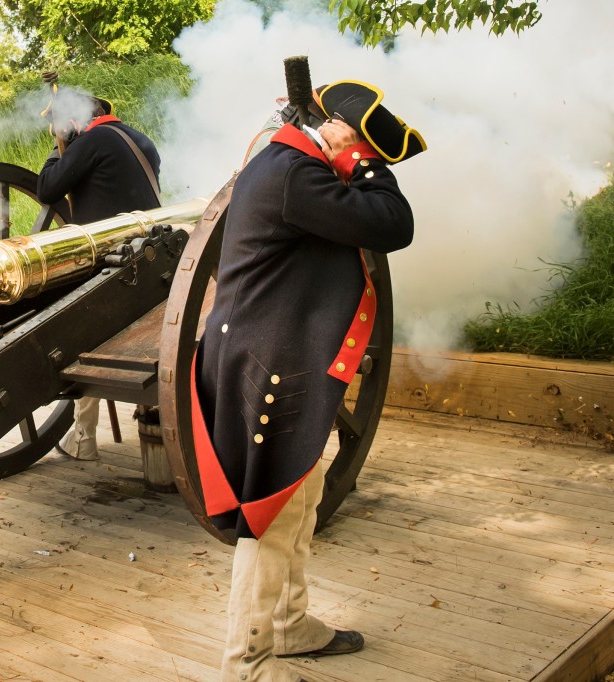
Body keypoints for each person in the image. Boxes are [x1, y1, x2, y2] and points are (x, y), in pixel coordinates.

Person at [191, 79, 426, 682]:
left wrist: (351, 162)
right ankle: (246, 663)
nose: (368, 160)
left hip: (279, 354)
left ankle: (289, 624)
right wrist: (364, 169)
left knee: (302, 496)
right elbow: (394, 224)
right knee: (269, 515)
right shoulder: (296, 174)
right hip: (265, 365)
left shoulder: (290, 162)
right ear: (343, 134)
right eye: (367, 147)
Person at [37, 89, 162, 461]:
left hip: (108, 259)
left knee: (82, 337)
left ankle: (84, 438)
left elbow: (47, 188)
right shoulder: (142, 141)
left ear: (74, 122)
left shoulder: (92, 140)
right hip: (150, 255)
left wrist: (58, 149)